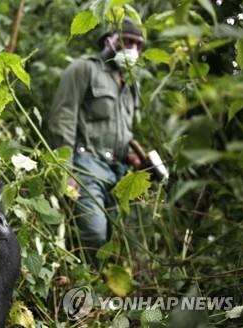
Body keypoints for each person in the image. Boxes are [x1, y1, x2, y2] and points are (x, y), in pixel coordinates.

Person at [46, 17, 145, 267]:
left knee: (111, 240)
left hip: (118, 171)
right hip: (86, 165)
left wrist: (133, 156)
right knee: (94, 234)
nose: (132, 49)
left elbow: (123, 129)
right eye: (127, 41)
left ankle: (92, 291)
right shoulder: (84, 69)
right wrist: (65, 170)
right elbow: (62, 120)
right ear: (108, 40)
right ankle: (80, 293)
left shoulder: (131, 84)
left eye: (138, 45)